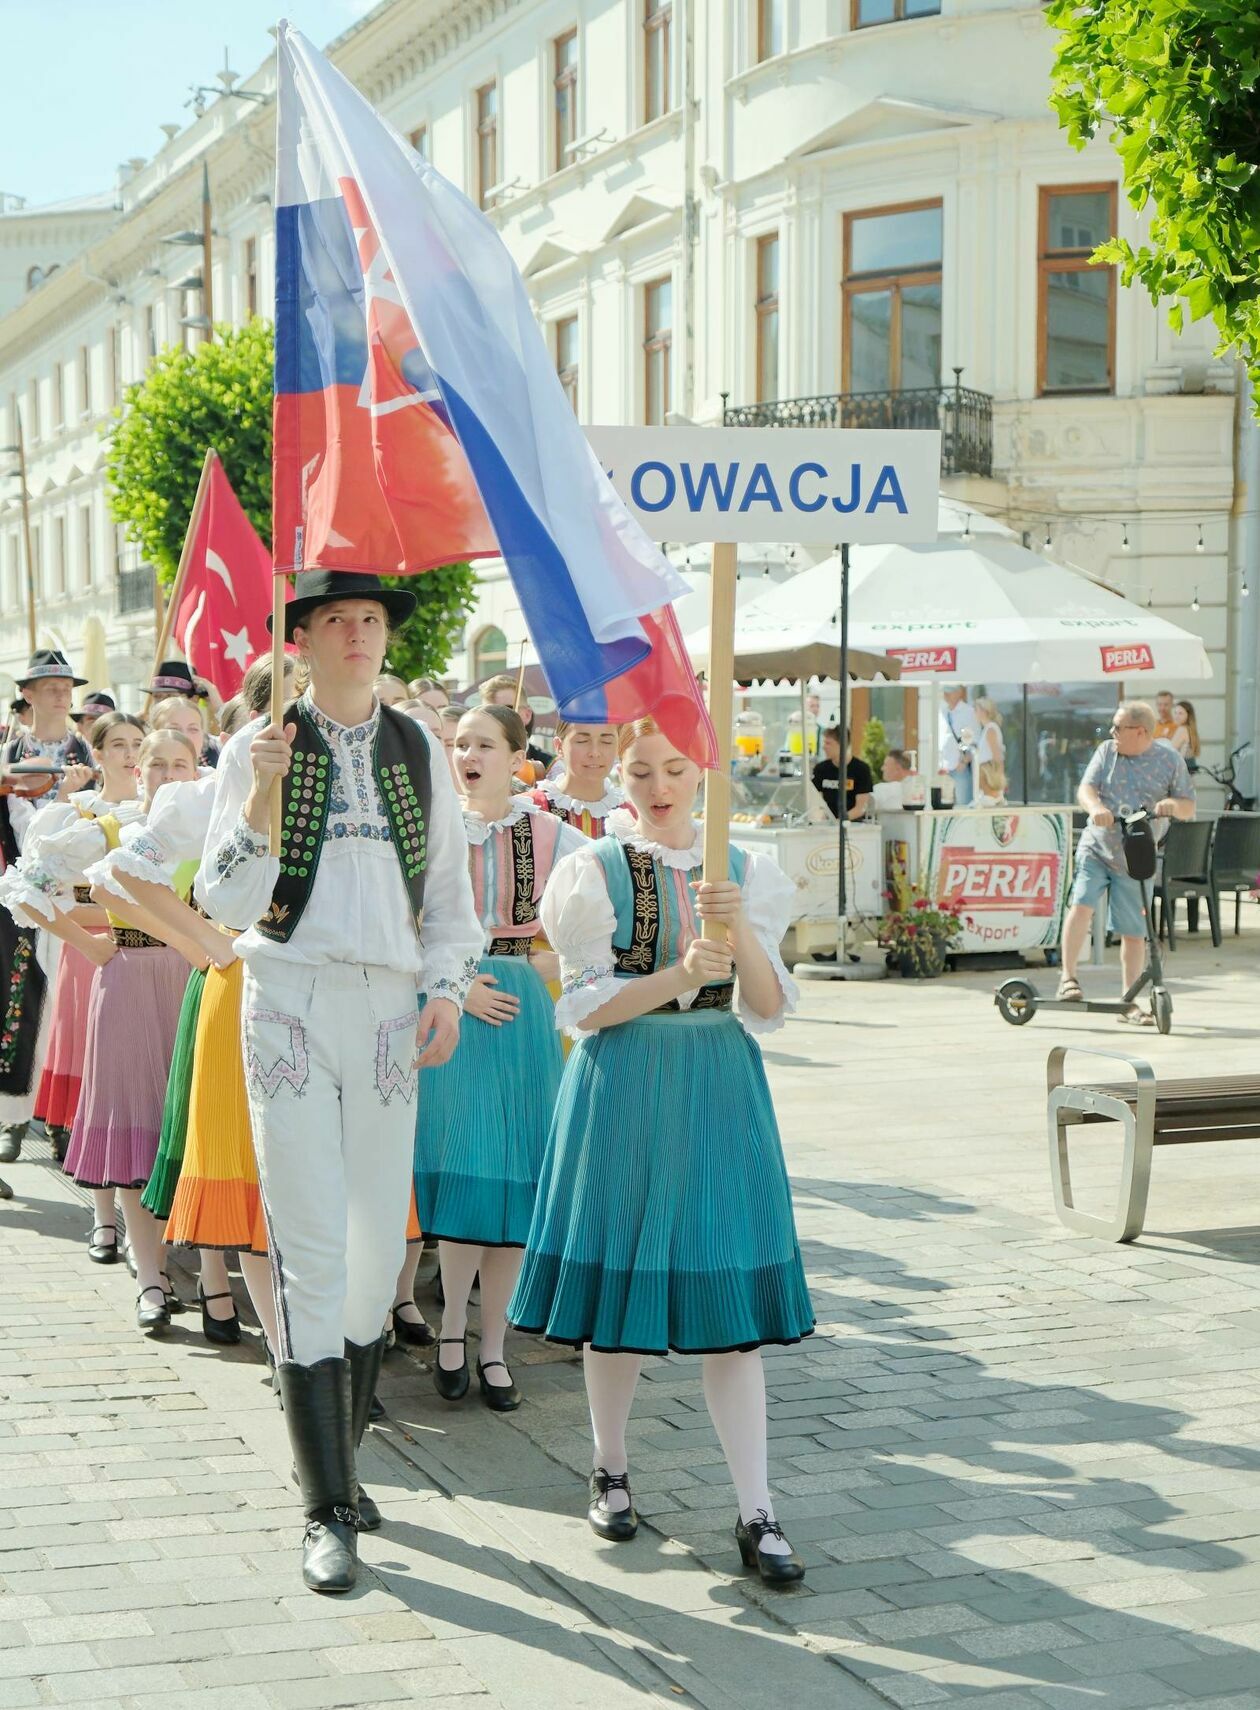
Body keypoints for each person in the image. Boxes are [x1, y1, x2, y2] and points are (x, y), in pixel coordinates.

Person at [197, 568, 482, 1595]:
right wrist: (263, 795)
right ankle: (324, 1505)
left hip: (389, 1012)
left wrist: (446, 989)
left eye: (369, 619)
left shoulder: (419, 751)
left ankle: (345, 1468)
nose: (358, 634)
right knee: (314, 1242)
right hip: (289, 999)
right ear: (304, 642)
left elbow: (451, 895)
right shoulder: (256, 745)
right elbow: (225, 899)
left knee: (374, 1252)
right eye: (335, 621)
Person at [509, 718, 814, 1587]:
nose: (656, 784)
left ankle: (756, 1509)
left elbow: (767, 1005)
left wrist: (737, 931)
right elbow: (586, 1009)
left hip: (719, 1079)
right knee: (619, 1298)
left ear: (702, 771)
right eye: (641, 770)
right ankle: (609, 1469)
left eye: (674, 767)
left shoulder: (746, 870)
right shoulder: (591, 869)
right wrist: (679, 974)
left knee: (732, 1314)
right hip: (626, 1081)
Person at [416, 706, 586, 1414]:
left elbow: (590, 934)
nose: (467, 754)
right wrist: (456, 984)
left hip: (521, 1012)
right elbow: (403, 924)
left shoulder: (557, 836)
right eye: (459, 744)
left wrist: (534, 969)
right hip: (450, 1007)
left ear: (519, 756)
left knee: (516, 1176)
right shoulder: (428, 828)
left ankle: (493, 1346)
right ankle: (450, 1328)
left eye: (484, 744)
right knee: (465, 1171)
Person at [8, 730, 203, 1321]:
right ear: (137, 773)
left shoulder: (212, 830)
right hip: (126, 983)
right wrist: (91, 947)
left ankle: (187, 1263)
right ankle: (149, 1280)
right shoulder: (107, 830)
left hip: (196, 986)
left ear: (198, 770)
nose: (169, 774)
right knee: (132, 1126)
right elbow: (27, 889)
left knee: (188, 1126)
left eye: (181, 763)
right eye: (157, 764)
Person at [20, 714, 146, 1166]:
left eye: (136, 743)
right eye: (118, 745)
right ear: (97, 753)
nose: (130, 754)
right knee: (91, 1048)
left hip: (156, 949)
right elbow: (37, 889)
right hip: (92, 944)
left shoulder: (160, 809)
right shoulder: (78, 812)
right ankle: (87, 1150)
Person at [0, 649, 95, 1164]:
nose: (60, 692)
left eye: (65, 684)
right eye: (49, 685)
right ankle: (14, 1118)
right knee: (19, 1004)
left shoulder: (89, 753)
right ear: (28, 694)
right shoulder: (5, 753)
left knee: (70, 1011)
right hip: (18, 900)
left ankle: (64, 1119)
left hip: (77, 900)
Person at [1057, 702, 1195, 1021]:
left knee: (1133, 931)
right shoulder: (1107, 751)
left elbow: (1189, 806)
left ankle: (1129, 1002)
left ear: (1141, 732)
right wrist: (1095, 809)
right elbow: (1086, 788)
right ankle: (1068, 978)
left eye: (1118, 727)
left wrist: (1172, 804)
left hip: (1138, 854)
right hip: (1098, 846)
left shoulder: (1169, 760)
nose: (1112, 732)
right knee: (1082, 905)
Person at [529, 721, 624, 837]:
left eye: (606, 742)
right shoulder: (531, 809)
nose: (595, 753)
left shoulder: (630, 814)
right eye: (582, 741)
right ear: (559, 746)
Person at [148, 660, 222, 766]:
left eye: (170, 696)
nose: (163, 702)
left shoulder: (217, 747)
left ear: (194, 699)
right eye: (157, 696)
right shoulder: (140, 746)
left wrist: (220, 708)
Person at [481, 673, 554, 774]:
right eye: (490, 712)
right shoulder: (475, 761)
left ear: (527, 715)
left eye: (508, 709)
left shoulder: (550, 765)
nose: (498, 718)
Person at [812, 726, 872, 820]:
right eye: (824, 743)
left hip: (853, 824)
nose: (824, 747)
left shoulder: (861, 769)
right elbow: (815, 800)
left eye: (828, 743)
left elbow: (861, 807)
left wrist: (840, 821)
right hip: (827, 823)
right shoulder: (821, 769)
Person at [939, 685, 979, 806]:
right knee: (944, 806)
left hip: (959, 768)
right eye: (945, 692)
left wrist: (964, 761)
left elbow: (975, 741)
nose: (946, 695)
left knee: (963, 806)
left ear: (959, 692)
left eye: (949, 691)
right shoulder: (942, 711)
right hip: (944, 768)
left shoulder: (968, 712)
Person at [974, 699, 1006, 805]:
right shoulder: (987, 729)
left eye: (977, 710)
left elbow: (997, 755)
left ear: (984, 711)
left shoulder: (991, 729)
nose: (975, 713)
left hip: (989, 774)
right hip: (986, 774)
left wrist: (999, 778)